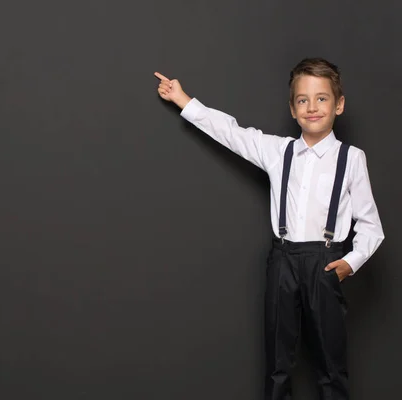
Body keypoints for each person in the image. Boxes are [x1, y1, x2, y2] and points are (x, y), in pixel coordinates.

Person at [154, 58, 384, 400]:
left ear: (339, 104)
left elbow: (370, 225)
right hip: (283, 260)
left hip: (326, 262)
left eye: (321, 98)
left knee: (330, 362)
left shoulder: (352, 159)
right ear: (292, 109)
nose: (312, 107)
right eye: (302, 100)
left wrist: (351, 261)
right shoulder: (279, 151)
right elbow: (231, 133)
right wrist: (184, 99)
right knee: (278, 360)